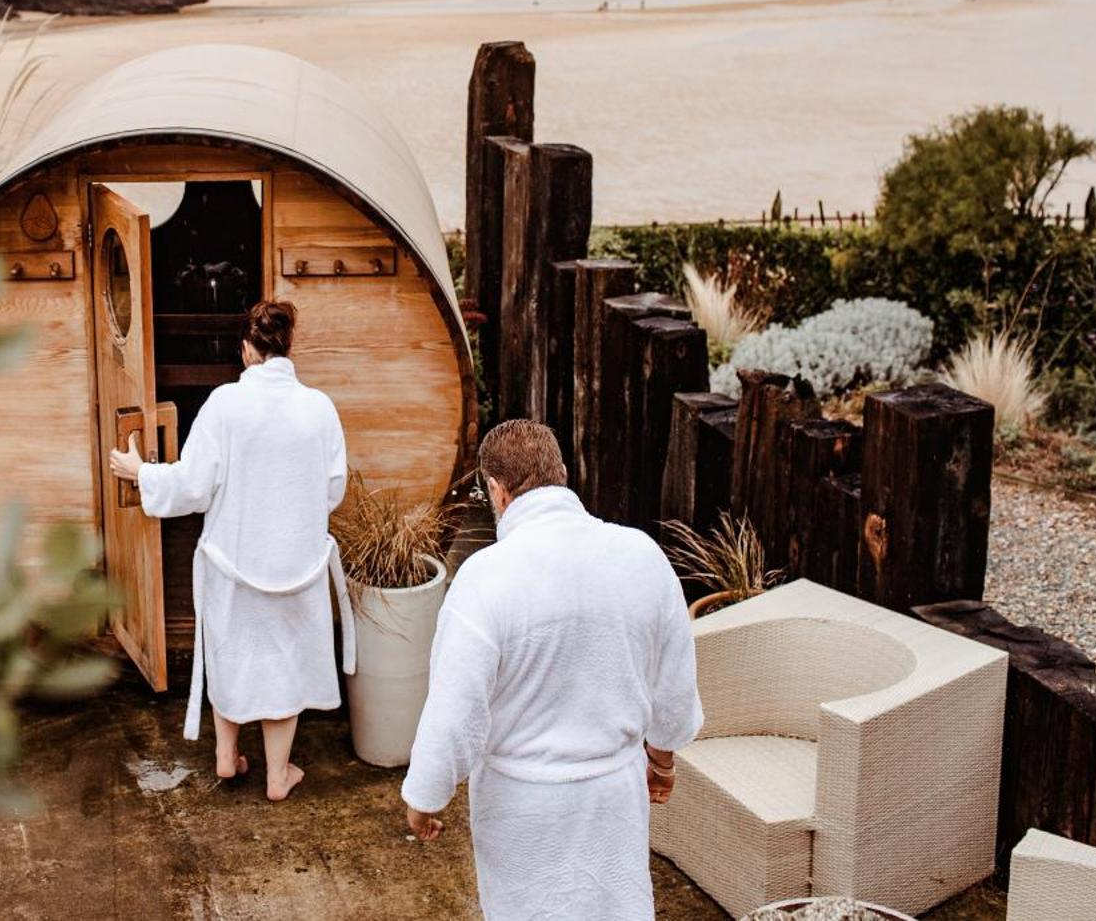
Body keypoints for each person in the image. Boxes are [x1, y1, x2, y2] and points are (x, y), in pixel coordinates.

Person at [401, 419, 701, 920]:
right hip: (612, 795)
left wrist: (425, 795)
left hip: (523, 806)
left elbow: (456, 705)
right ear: (562, 473)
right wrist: (663, 759)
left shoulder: (484, 579)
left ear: (497, 492)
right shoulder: (641, 556)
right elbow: (672, 677)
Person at [108, 299, 353, 801]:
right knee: (283, 665)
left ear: (246, 350)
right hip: (295, 565)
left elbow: (194, 486)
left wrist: (141, 473)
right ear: (287, 346)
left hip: (232, 562)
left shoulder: (223, 405)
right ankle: (278, 775)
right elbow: (333, 490)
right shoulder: (319, 408)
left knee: (230, 652)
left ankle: (226, 755)